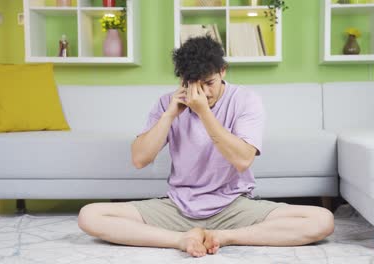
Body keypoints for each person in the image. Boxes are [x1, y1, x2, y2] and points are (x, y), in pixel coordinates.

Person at [78, 35, 334, 258]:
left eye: (208, 83)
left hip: (233, 205)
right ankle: (181, 239)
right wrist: (168, 116)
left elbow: (243, 160)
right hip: (178, 206)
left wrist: (204, 114)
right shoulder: (167, 103)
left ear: (223, 71)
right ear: (182, 81)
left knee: (322, 220)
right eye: (193, 84)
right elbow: (139, 159)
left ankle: (222, 236)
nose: (202, 93)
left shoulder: (246, 100)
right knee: (89, 216)